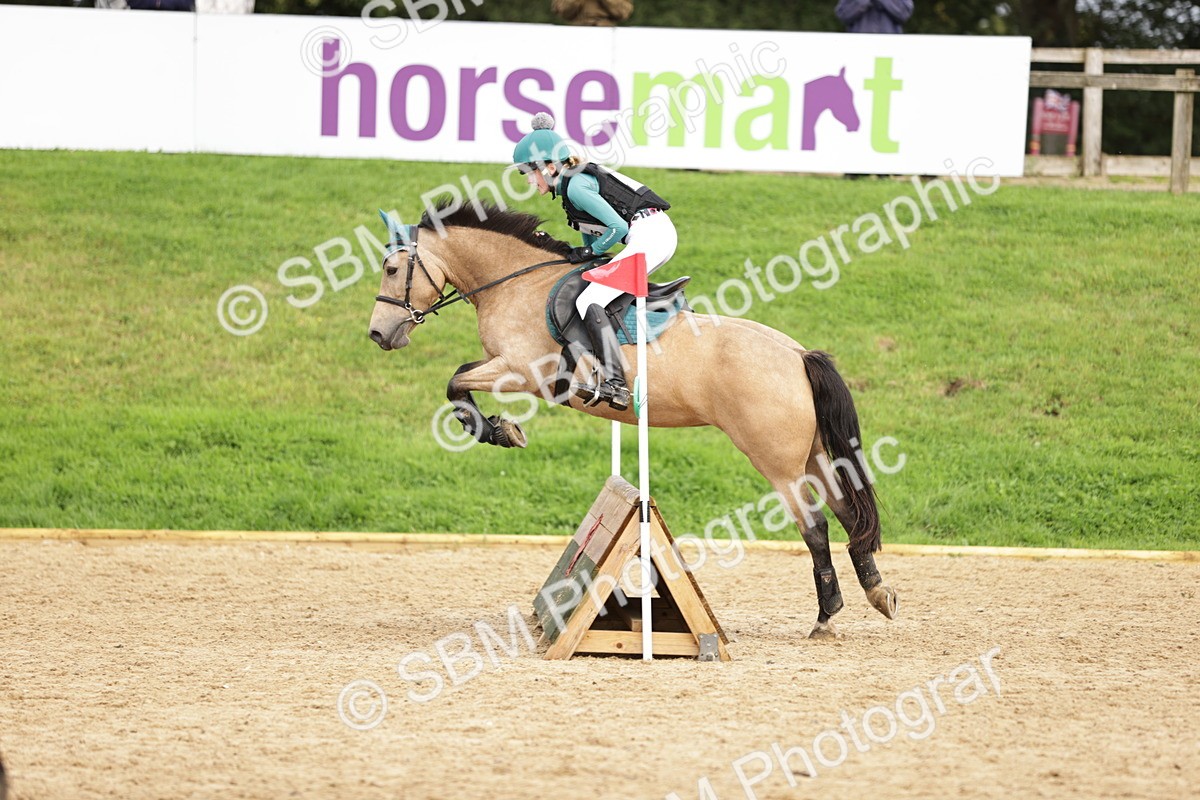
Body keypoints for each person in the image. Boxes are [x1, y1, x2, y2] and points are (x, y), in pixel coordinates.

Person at [511, 113, 675, 411]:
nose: (529, 181)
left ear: (549, 167)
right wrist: (583, 254)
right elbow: (594, 236)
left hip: (650, 234)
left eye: (530, 173)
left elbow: (618, 229)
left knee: (590, 300)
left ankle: (616, 383)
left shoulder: (575, 187)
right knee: (595, 287)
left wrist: (588, 254)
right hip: (651, 233)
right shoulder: (570, 190)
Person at [835, 0, 913, 34]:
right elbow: (843, 15)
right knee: (860, 68)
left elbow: (904, 14)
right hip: (859, 48)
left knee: (883, 68)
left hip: (887, 50)